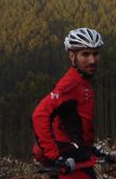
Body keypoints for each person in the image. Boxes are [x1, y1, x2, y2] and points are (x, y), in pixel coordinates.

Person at [31, 27, 104, 178]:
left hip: (80, 158)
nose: (92, 60)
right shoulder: (70, 85)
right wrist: (54, 156)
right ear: (72, 56)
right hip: (71, 164)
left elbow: (75, 123)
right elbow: (40, 114)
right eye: (85, 54)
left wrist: (89, 147)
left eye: (95, 54)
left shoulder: (83, 81)